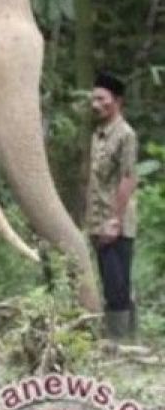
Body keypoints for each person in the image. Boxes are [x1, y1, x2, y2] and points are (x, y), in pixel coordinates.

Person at [85, 72, 139, 337]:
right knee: (109, 282)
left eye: (101, 99)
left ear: (116, 101)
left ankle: (122, 343)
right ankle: (122, 339)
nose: (95, 104)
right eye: (93, 98)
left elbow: (129, 179)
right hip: (98, 221)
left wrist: (114, 221)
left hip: (116, 224)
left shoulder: (125, 135)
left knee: (118, 286)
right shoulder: (98, 134)